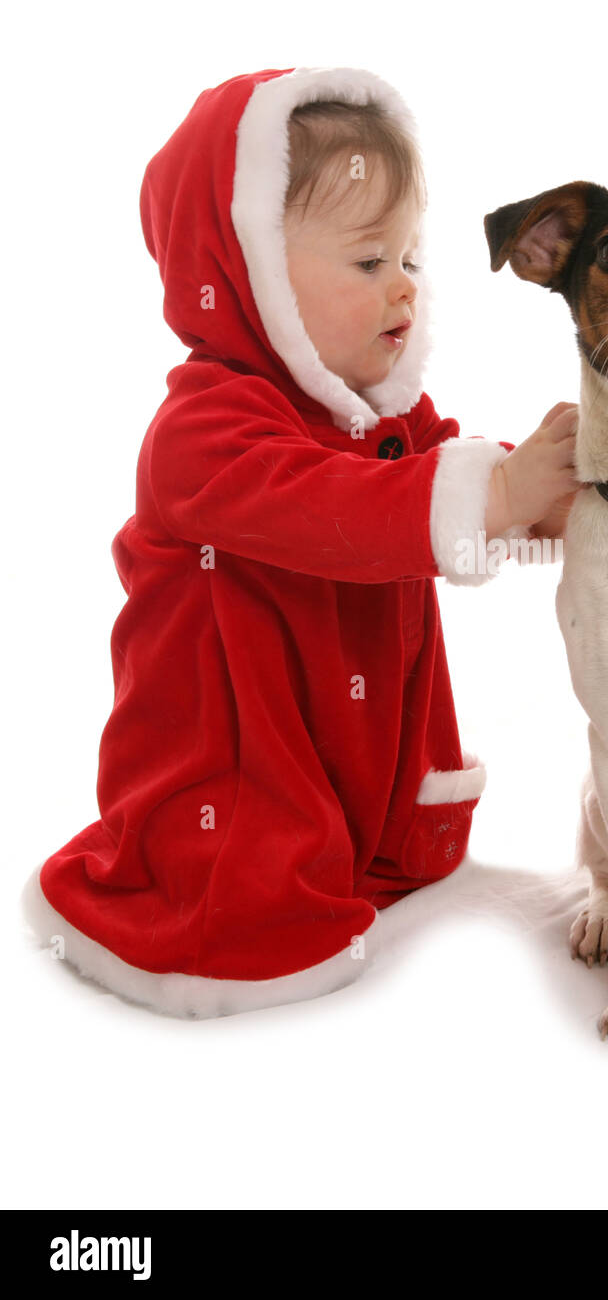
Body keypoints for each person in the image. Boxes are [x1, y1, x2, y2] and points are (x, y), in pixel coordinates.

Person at [21, 66, 579, 1019]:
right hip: (230, 761)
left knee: (346, 816)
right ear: (250, 274)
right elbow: (334, 511)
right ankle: (210, 905)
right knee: (239, 858)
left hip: (349, 744)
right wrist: (490, 493)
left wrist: (537, 499)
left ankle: (367, 836)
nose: (404, 287)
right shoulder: (201, 431)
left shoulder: (375, 416)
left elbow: (435, 479)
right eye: (369, 263)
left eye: (410, 258)